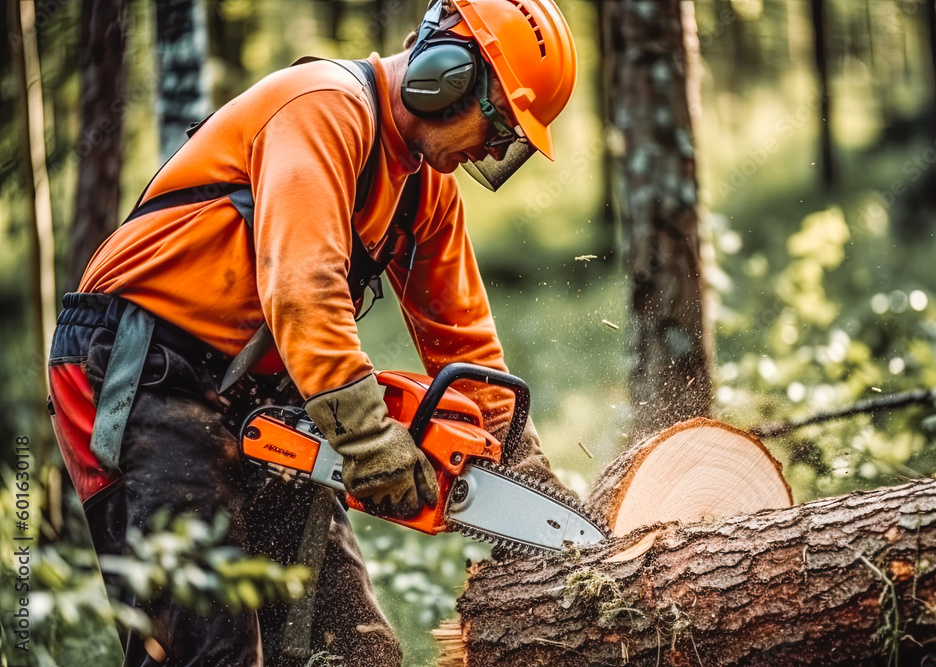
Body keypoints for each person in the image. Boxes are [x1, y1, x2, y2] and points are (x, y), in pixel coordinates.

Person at [47, 0, 578, 664]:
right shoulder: (324, 106)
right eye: (499, 120)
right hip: (145, 367)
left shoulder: (426, 190)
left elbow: (464, 338)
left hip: (262, 394)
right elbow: (303, 290)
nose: (496, 148)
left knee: (351, 648)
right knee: (208, 645)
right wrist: (366, 436)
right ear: (447, 72)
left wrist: (536, 490)